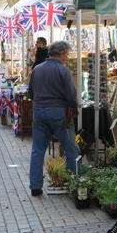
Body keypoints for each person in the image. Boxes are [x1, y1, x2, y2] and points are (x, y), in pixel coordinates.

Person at [28, 41, 79, 196]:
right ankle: (74, 183)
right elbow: (71, 95)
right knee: (71, 149)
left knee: (37, 150)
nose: (67, 57)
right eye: (67, 54)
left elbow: (30, 93)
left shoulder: (36, 69)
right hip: (59, 113)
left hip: (39, 112)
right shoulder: (63, 70)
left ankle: (35, 187)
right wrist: (74, 109)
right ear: (62, 53)